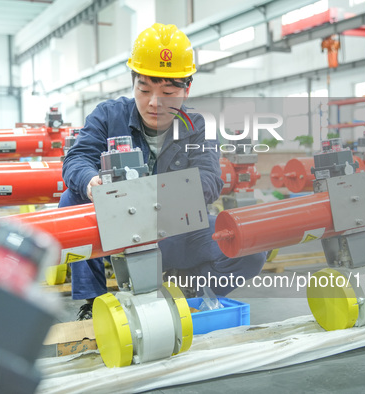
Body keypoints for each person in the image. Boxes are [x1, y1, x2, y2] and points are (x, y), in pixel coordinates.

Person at [59, 23, 267, 320]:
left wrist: (151, 196)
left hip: (172, 228)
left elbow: (210, 181)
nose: (155, 103)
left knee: (248, 248)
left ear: (187, 89)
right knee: (71, 200)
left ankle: (185, 293)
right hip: (112, 226)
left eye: (168, 92)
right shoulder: (108, 115)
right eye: (144, 90)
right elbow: (77, 159)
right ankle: (93, 303)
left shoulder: (197, 125)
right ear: (133, 84)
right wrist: (91, 183)